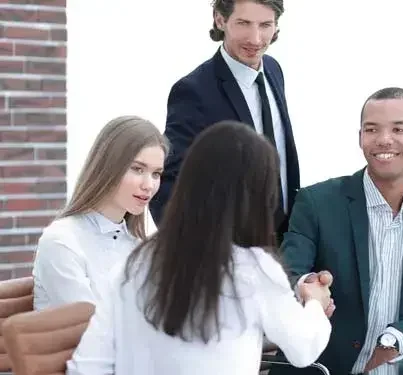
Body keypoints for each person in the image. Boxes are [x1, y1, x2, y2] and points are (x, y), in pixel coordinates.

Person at [66, 121, 332, 375]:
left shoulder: (135, 262)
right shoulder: (253, 269)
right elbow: (304, 348)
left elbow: (87, 367)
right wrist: (315, 303)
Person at [272, 87, 403, 375]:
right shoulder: (316, 202)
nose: (383, 140)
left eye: (399, 129)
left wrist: (398, 336)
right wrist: (307, 287)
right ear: (360, 138)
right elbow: (288, 272)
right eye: (371, 129)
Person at [150, 0, 298, 240]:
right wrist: (194, 258)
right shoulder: (193, 91)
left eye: (265, 25)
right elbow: (169, 187)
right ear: (220, 19)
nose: (256, 39)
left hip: (283, 243)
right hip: (228, 251)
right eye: (243, 23)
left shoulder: (273, 70)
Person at [32, 116, 167, 311]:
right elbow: (90, 331)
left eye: (156, 174)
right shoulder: (62, 241)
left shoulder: (138, 246)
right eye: (137, 169)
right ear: (109, 167)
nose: (149, 185)